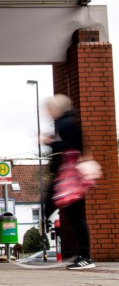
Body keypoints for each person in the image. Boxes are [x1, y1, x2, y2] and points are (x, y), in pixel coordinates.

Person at [42, 94, 95, 270]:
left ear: (56, 109)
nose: (47, 112)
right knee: (73, 214)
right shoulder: (63, 123)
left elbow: (73, 146)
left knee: (76, 215)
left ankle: (86, 256)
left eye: (49, 108)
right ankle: (84, 255)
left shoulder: (65, 124)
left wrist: (51, 143)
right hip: (69, 174)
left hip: (71, 174)